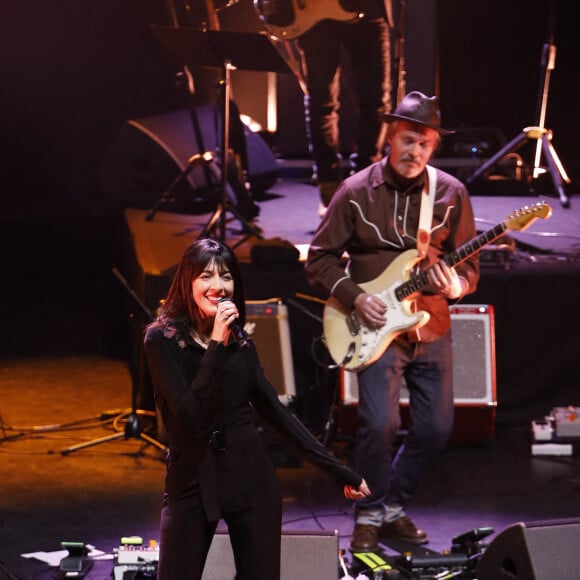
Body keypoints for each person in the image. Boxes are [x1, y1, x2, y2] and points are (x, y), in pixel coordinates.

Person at [305, 91, 480, 552]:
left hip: (431, 325)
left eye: (424, 145)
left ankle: (391, 507)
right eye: (407, 141)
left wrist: (453, 286)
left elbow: (469, 270)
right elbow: (319, 258)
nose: (414, 153)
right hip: (377, 329)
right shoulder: (355, 190)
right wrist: (355, 297)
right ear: (390, 137)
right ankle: (368, 512)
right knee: (378, 426)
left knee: (436, 430)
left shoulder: (451, 193)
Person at [143, 237, 370, 579]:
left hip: (249, 477)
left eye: (226, 276)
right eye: (206, 276)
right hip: (191, 480)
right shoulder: (162, 340)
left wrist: (339, 470)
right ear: (188, 281)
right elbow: (190, 417)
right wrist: (217, 344)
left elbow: (276, 412)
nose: (218, 286)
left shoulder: (240, 342)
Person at [297, 0, 393, 214]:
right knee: (321, 103)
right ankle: (329, 187)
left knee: (376, 103)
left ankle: (366, 184)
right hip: (315, 14)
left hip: (367, 10)